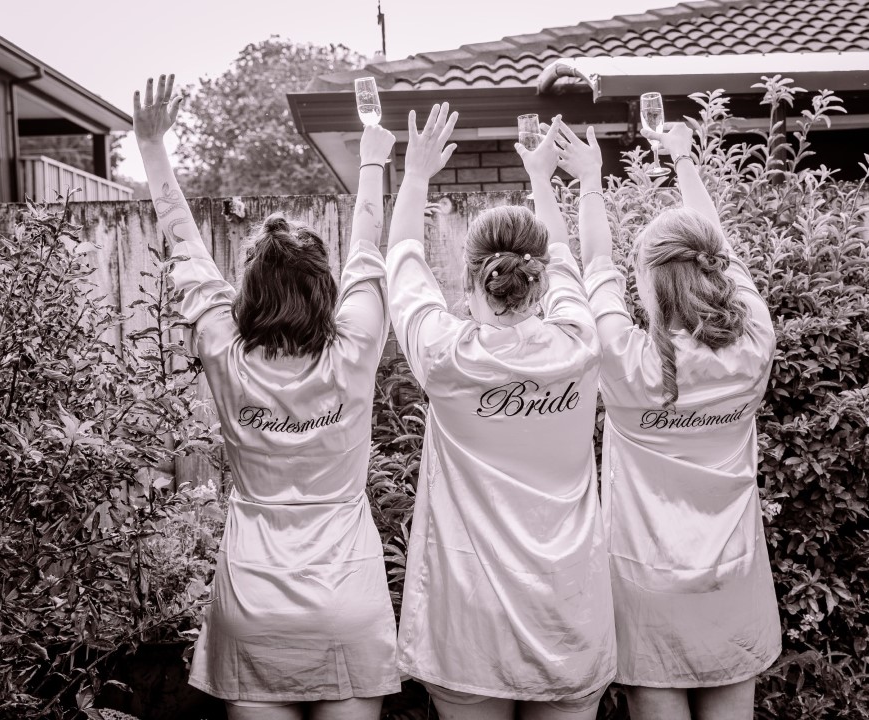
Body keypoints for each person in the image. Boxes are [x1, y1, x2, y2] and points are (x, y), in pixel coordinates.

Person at [133, 75, 401, 720]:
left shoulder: (223, 348)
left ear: (248, 292)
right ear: (324, 290)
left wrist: (151, 145)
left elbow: (183, 240)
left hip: (252, 601)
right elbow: (368, 243)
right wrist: (371, 160)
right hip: (347, 596)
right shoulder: (355, 348)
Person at [384, 104, 616, 720]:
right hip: (566, 610)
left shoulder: (444, 354)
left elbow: (401, 257)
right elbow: (565, 256)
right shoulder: (580, 342)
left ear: (469, 280)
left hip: (468, 619)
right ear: (542, 283)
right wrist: (542, 177)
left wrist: (414, 175)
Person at [556, 120, 781, 720]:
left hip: (646, 586)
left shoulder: (624, 360)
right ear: (714, 270)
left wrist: (590, 182)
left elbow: (593, 261)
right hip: (734, 576)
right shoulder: (755, 343)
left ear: (649, 282)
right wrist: (683, 160)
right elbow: (723, 248)